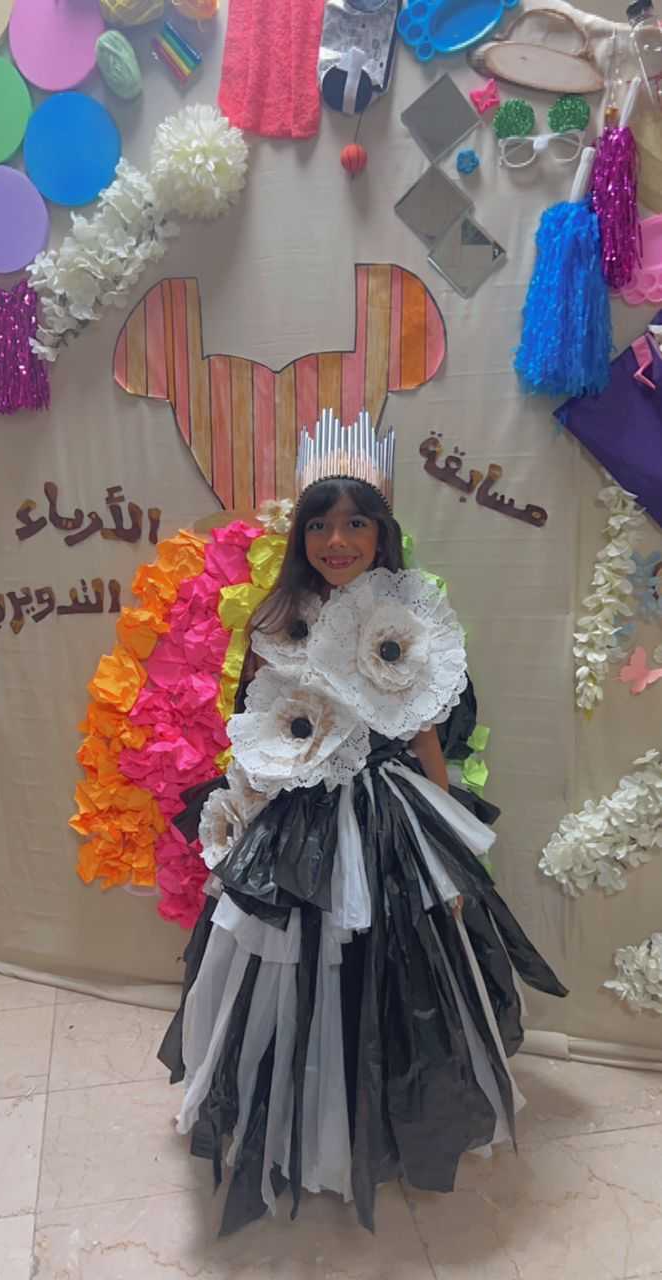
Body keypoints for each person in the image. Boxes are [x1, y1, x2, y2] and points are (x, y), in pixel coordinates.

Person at [158, 413, 567, 1237]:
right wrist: (242, 828)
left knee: (398, 968)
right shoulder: (278, 619)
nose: (336, 541)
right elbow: (260, 731)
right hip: (295, 822)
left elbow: (425, 736)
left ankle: (385, 1121)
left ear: (382, 533)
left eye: (354, 524)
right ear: (302, 535)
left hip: (389, 817)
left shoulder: (409, 618)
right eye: (320, 525)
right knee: (286, 969)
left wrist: (450, 841)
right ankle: (298, 1123)